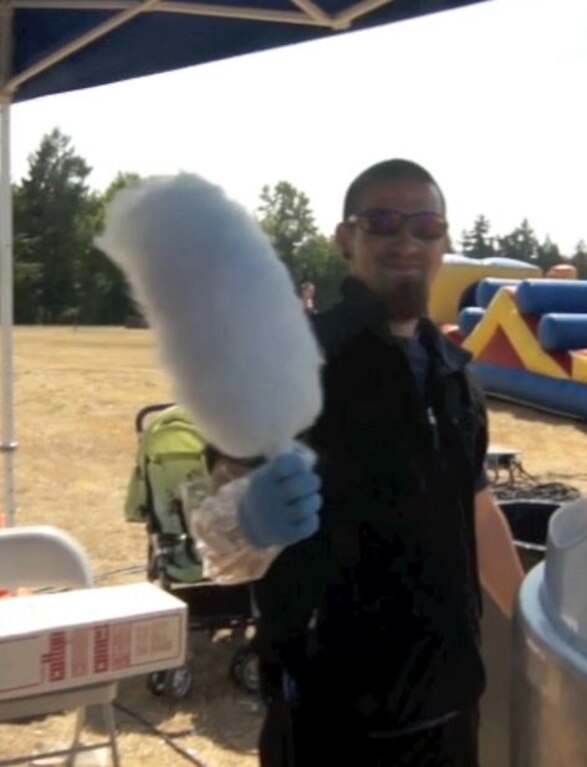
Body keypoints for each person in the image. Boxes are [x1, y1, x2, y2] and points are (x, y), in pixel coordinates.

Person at [197, 159, 525, 767]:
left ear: (445, 244)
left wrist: (532, 621)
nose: (406, 240)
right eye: (383, 222)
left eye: (426, 226)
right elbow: (217, 538)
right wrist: (250, 521)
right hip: (330, 719)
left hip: (450, 706)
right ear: (346, 240)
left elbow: (476, 509)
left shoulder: (454, 376)